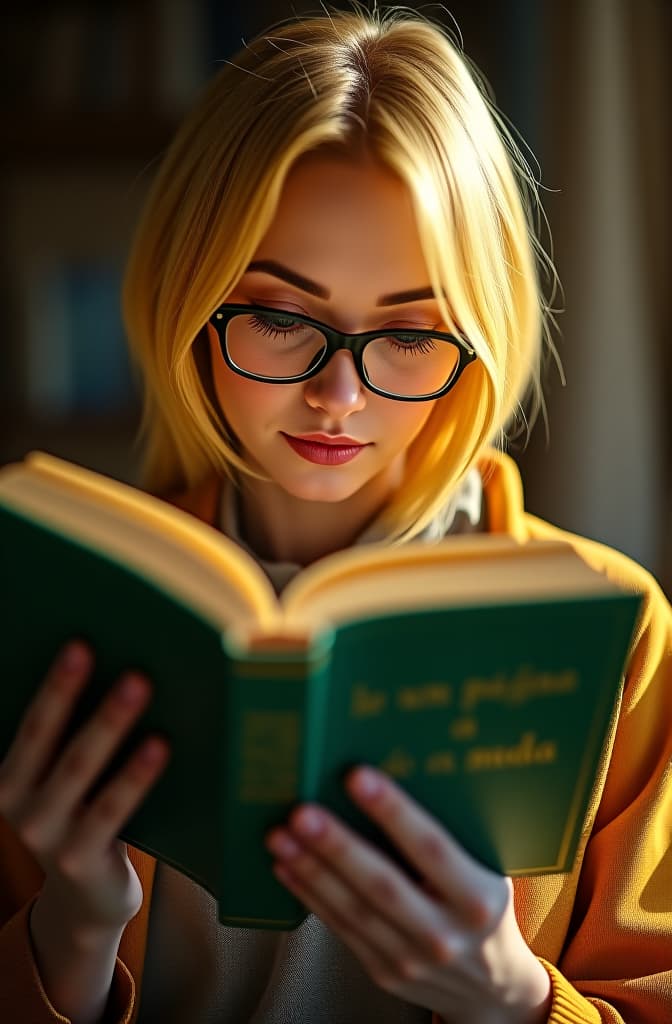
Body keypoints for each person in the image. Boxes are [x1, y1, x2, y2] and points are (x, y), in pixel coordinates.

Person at [1, 6, 670, 1023]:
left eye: (410, 335)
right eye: (277, 316)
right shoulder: (63, 604)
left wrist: (515, 998)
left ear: (481, 337)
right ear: (190, 299)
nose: (340, 398)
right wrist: (73, 933)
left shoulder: (619, 632)